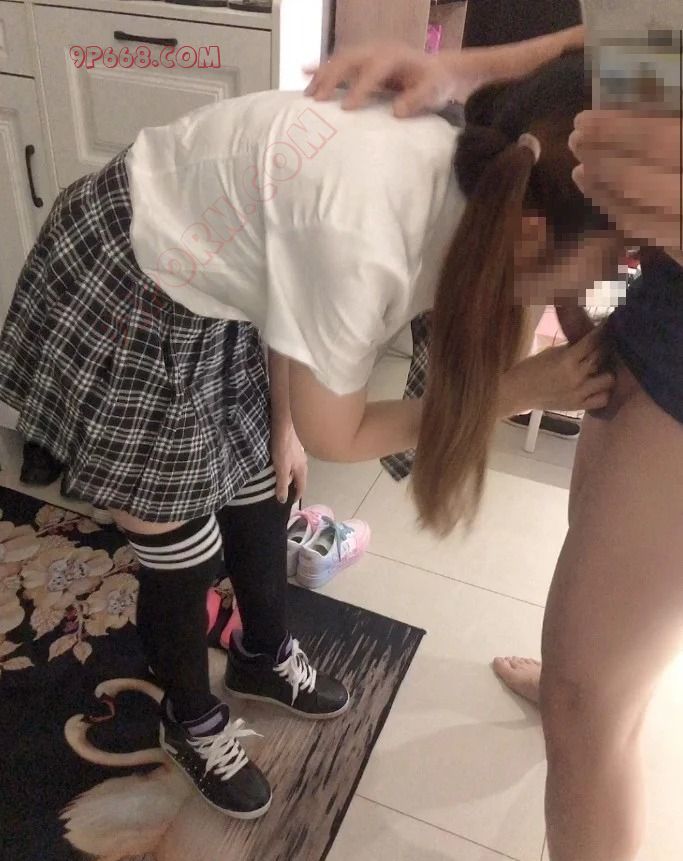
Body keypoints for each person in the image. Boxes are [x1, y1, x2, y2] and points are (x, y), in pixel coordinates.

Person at [0, 59, 613, 821]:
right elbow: (342, 429)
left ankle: (259, 657)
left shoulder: (476, 181)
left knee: (264, 483)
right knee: (180, 543)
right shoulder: (370, 239)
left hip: (223, 274)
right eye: (602, 268)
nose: (593, 292)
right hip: (133, 280)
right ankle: (188, 716)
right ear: (533, 233)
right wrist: (515, 392)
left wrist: (281, 427)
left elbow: (292, 279)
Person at [308, 30, 683, 861]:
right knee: (598, 531)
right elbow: (628, 30)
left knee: (590, 702)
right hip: (664, 295)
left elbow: (335, 431)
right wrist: (465, 67)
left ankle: (586, 694)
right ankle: (585, 671)